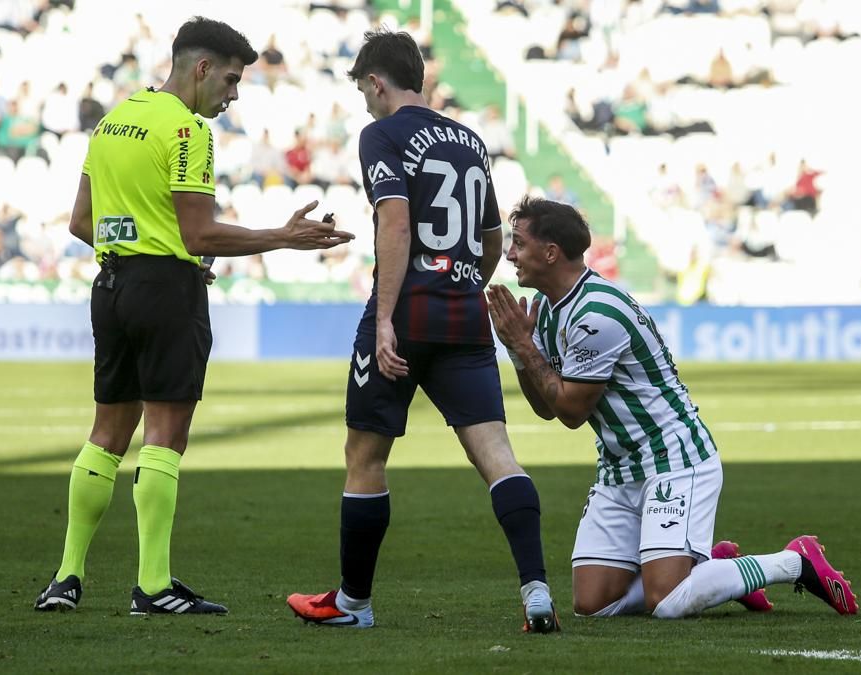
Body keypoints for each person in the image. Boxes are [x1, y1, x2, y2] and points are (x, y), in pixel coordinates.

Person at [33, 16, 354, 616]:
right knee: (164, 435)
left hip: (111, 285)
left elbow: (82, 222)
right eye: (231, 80)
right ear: (201, 68)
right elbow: (199, 231)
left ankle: (66, 578)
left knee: (106, 434)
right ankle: (152, 586)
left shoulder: (115, 120)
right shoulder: (187, 132)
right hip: (165, 292)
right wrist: (282, 237)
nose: (233, 94)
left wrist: (146, 248)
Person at [286, 29, 560, 633]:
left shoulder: (380, 134)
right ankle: (536, 592)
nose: (363, 100)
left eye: (362, 88)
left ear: (377, 83)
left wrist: (385, 318)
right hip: (464, 314)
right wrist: (466, 282)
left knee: (365, 455)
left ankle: (353, 604)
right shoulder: (470, 140)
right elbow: (492, 238)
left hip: (407, 310)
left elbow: (395, 220)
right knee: (497, 455)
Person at [485, 197, 858, 620]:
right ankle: (710, 571)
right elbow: (546, 408)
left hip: (673, 460)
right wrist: (521, 351)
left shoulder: (597, 313)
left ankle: (793, 561)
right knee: (593, 605)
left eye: (518, 243)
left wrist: (522, 346)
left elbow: (570, 411)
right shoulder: (553, 313)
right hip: (619, 469)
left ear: (550, 252)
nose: (510, 254)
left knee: (666, 603)